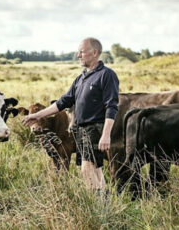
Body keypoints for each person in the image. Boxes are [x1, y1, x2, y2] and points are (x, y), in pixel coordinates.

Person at [23, 37, 119, 190]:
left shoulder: (106, 75)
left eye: (82, 52)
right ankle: (104, 205)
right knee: (95, 168)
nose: (78, 55)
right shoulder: (80, 78)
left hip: (95, 128)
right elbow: (63, 102)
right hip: (80, 130)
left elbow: (111, 106)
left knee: (86, 168)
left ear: (94, 53)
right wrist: (38, 115)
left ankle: (96, 206)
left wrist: (106, 134)